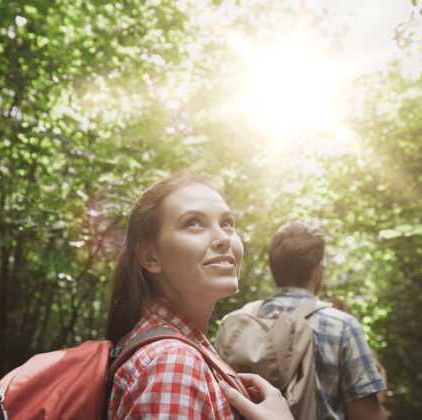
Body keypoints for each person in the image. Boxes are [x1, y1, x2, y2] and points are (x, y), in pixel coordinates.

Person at [105, 174, 293, 419]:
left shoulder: (169, 348)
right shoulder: (173, 362)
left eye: (227, 223)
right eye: (193, 223)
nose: (224, 238)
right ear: (150, 257)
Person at [224, 221, 387, 420]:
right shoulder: (342, 325)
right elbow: (368, 417)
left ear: (274, 268)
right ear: (317, 269)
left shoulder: (234, 322)